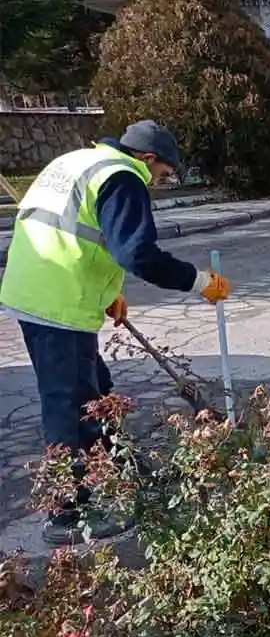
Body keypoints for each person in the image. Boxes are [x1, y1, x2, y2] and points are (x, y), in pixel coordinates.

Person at [0, 119, 233, 545]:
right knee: (70, 404)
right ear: (147, 159)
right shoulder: (123, 178)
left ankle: (124, 467)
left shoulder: (83, 161)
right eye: (162, 174)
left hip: (42, 288)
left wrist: (107, 291)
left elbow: (77, 231)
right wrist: (199, 282)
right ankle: (66, 512)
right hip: (57, 302)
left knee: (96, 391)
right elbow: (137, 253)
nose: (160, 183)